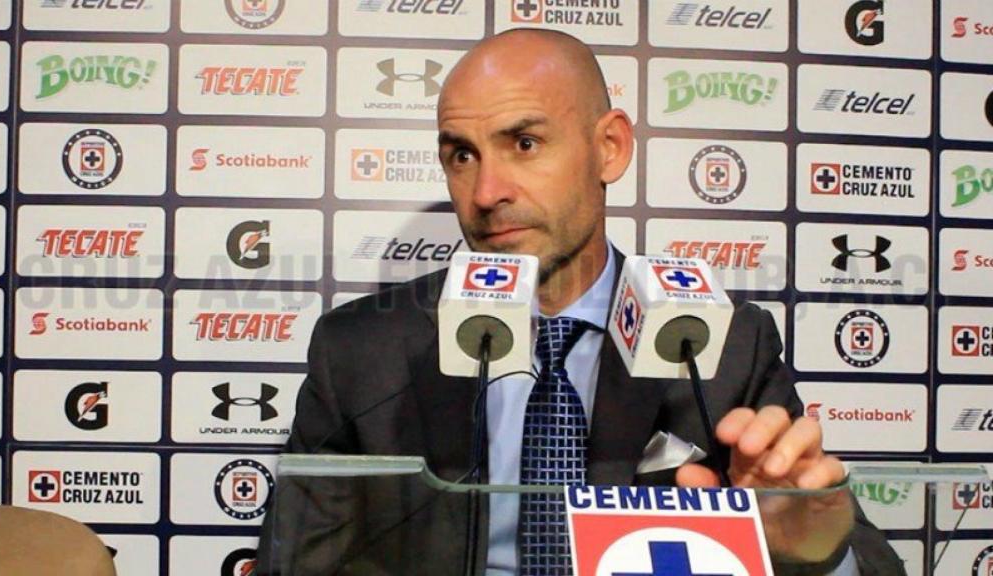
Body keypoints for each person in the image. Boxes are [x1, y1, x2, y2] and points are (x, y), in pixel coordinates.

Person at [257, 29, 904, 576]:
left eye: (525, 143)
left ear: (609, 148)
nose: (485, 191)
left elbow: (872, 563)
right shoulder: (362, 350)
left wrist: (814, 547)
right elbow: (297, 561)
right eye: (461, 155)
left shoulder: (729, 345)